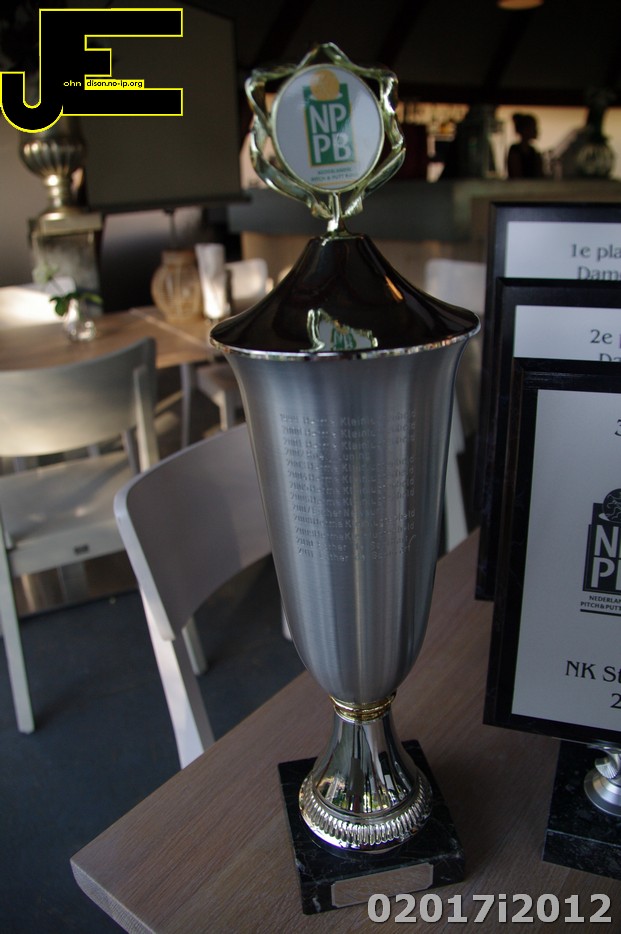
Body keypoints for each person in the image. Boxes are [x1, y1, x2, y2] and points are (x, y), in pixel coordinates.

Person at [507, 113, 544, 178]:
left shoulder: (533, 151)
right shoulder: (515, 150)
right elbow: (516, 175)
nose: (536, 130)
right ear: (525, 130)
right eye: (533, 127)